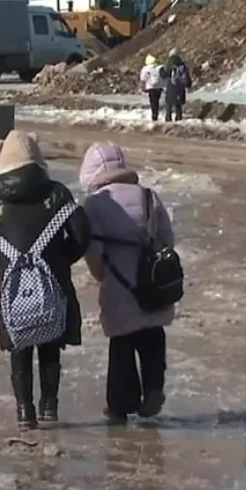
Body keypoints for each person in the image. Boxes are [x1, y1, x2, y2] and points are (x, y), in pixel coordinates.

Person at [0, 130, 90, 429]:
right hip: (54, 281)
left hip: (13, 288)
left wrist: (3, 270)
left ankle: (25, 412)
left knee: (19, 347)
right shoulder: (57, 194)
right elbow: (82, 234)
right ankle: (49, 407)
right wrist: (61, 259)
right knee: (50, 345)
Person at [78, 141, 176, 424]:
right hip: (154, 283)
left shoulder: (96, 204)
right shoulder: (148, 196)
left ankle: (120, 405)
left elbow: (93, 251)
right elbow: (168, 240)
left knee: (121, 347)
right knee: (153, 337)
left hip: (120, 285)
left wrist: (101, 275)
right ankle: (153, 390)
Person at [163, 50, 192, 122]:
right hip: (180, 87)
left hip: (171, 86)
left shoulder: (169, 64)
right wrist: (188, 84)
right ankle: (179, 118)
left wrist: (161, 71)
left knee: (169, 104)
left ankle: (168, 118)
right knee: (178, 105)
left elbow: (164, 74)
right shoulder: (182, 65)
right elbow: (186, 76)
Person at [139, 54, 165, 122]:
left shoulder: (146, 68)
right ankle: (156, 113)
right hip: (159, 87)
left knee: (153, 102)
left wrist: (142, 88)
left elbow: (143, 79)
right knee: (157, 101)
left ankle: (154, 115)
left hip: (151, 87)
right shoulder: (160, 67)